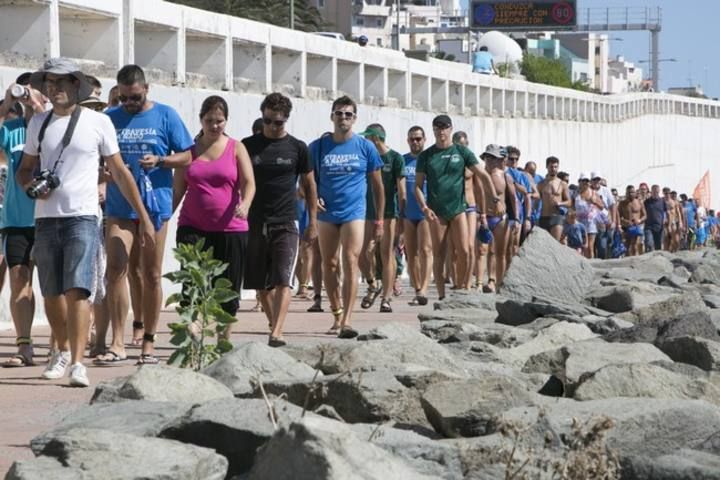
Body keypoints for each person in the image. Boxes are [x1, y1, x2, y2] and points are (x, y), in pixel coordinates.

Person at [19, 57, 154, 386]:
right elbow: (25, 168)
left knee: (78, 290)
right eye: (49, 84)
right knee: (52, 293)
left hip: (83, 216)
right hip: (47, 217)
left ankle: (78, 362)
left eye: (61, 83)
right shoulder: (39, 123)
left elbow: (120, 172)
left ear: (75, 85)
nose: (54, 90)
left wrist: (145, 218)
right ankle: (61, 350)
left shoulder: (99, 122)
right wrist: (30, 187)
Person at [143, 95, 255, 335]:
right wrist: (161, 219)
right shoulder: (190, 152)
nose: (214, 126)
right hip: (193, 227)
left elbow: (249, 183)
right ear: (201, 120)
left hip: (231, 228)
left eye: (219, 121)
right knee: (193, 281)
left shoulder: (237, 147)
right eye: (209, 120)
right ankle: (193, 328)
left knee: (228, 286)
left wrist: (245, 204)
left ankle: (224, 338)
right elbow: (178, 189)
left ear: (226, 121)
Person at [104, 64, 193, 364]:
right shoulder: (109, 118)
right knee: (116, 268)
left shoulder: (166, 115)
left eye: (135, 98)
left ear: (147, 90)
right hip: (119, 207)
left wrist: (162, 160)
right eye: (124, 99)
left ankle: (149, 342)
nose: (129, 104)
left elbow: (188, 155)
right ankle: (117, 341)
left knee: (151, 274)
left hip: (155, 206)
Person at [242, 93, 317, 346]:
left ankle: (277, 331)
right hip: (255, 221)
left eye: (279, 122)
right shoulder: (247, 146)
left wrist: (313, 221)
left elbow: (310, 185)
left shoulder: (298, 148)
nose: (273, 127)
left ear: (287, 120)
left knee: (283, 279)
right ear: (262, 117)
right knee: (261, 285)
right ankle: (273, 322)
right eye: (268, 121)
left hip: (286, 220)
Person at [309, 95, 384, 338]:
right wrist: (313, 198)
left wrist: (380, 220)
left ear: (355, 119)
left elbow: (378, 187)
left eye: (348, 114)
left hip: (355, 212)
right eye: (339, 113)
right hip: (327, 213)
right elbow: (304, 182)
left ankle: (348, 320)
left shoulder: (365, 147)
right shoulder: (318, 146)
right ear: (332, 116)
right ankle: (337, 313)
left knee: (351, 260)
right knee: (329, 263)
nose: (343, 118)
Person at [414, 115, 492, 300]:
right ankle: (441, 294)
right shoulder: (427, 155)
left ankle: (464, 287)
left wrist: (495, 198)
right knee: (438, 253)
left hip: (458, 209)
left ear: (450, 129)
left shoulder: (461, 152)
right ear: (433, 130)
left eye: (445, 127)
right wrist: (424, 207)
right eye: (437, 127)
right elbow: (417, 186)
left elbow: (482, 174)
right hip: (436, 211)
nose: (441, 131)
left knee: (465, 250)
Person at [0, 74, 45, 368]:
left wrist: (39, 108)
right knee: (19, 279)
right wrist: (7, 102)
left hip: (52, 218)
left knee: (57, 287)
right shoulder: (12, 130)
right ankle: (24, 345)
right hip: (17, 220)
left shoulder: (54, 127)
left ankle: (63, 347)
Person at [358, 123, 405, 313]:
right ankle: (373, 283)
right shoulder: (366, 158)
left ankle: (386, 298)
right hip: (367, 211)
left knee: (386, 254)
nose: (364, 141)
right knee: (363, 254)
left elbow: (402, 192)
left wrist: (401, 220)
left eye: (366, 138)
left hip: (388, 214)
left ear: (375, 138)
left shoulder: (395, 158)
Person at [479, 144, 515, 291]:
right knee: (485, 251)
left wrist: (517, 219)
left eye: (493, 157)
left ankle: (500, 282)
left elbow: (513, 199)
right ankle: (489, 280)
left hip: (501, 218)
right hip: (484, 216)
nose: (490, 160)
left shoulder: (505, 175)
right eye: (488, 157)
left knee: (501, 252)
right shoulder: (480, 175)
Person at [402, 126, 432, 305]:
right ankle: (417, 288)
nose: (415, 142)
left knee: (426, 250)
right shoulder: (403, 161)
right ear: (408, 141)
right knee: (411, 253)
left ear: (424, 140)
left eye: (419, 139)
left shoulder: (430, 159)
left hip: (426, 212)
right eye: (412, 139)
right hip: (407, 213)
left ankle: (425, 289)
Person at [504, 146, 532, 263]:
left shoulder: (523, 176)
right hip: (504, 209)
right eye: (511, 159)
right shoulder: (503, 172)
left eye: (516, 159)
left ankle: (511, 270)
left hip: (518, 211)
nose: (514, 162)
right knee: (503, 245)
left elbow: (527, 195)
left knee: (515, 244)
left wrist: (528, 218)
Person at [537, 156, 570, 241]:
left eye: (555, 167)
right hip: (543, 217)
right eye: (551, 167)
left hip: (556, 217)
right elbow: (536, 201)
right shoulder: (541, 184)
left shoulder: (562, 184)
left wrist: (560, 203)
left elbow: (569, 202)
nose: (553, 169)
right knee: (544, 246)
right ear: (547, 167)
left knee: (554, 245)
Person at [574, 174, 606, 258]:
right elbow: (571, 207)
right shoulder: (575, 193)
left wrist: (595, 202)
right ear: (579, 182)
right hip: (579, 222)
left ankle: (591, 264)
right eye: (583, 181)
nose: (586, 183)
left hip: (591, 222)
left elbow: (602, 206)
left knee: (590, 246)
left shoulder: (593, 193)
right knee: (582, 245)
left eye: (587, 181)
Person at [619, 185, 646, 256]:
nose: (631, 194)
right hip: (626, 227)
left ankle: (636, 261)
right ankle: (627, 261)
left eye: (632, 192)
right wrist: (625, 221)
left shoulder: (639, 202)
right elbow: (618, 216)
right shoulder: (622, 203)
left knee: (635, 245)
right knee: (627, 246)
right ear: (626, 193)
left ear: (635, 193)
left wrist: (639, 220)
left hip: (637, 226)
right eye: (629, 192)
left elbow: (645, 215)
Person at [643, 184, 667, 252]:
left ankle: (657, 261)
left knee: (658, 246)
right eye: (654, 192)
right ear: (651, 191)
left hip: (659, 227)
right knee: (649, 243)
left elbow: (665, 212)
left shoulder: (662, 201)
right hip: (649, 226)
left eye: (657, 192)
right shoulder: (647, 202)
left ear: (659, 191)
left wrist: (665, 219)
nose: (655, 193)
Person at [663, 187, 681, 252]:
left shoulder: (674, 202)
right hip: (665, 223)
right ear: (663, 193)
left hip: (673, 222)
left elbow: (678, 212)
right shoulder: (662, 201)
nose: (667, 194)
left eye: (668, 193)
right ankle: (666, 252)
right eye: (665, 193)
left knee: (676, 239)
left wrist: (680, 222)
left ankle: (675, 251)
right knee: (666, 238)